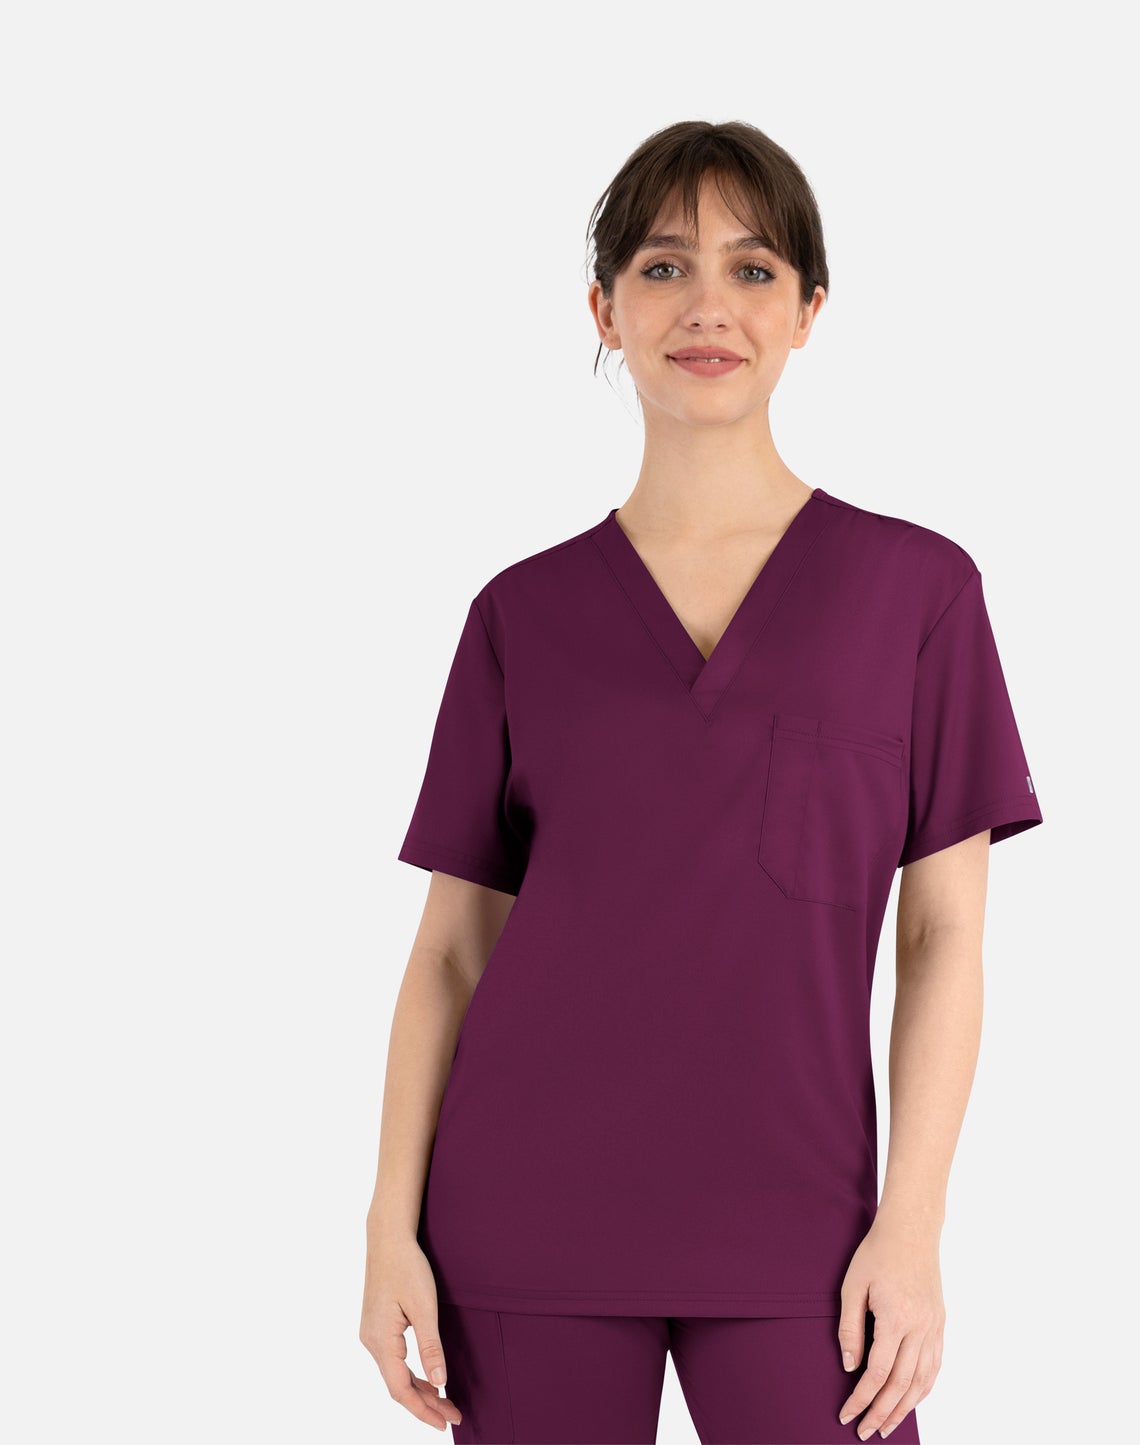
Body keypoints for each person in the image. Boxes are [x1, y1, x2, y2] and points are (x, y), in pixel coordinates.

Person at [360, 119, 1044, 1445]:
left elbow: (942, 935)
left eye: (753, 268)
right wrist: (390, 1223)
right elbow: (450, 950)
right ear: (604, 310)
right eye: (664, 267)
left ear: (809, 312)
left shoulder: (915, 594)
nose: (707, 305)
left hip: (809, 1229)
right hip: (527, 1218)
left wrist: (912, 1225)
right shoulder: (520, 615)